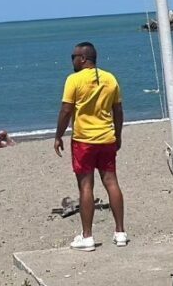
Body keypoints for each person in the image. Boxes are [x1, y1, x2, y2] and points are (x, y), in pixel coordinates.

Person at [54, 41, 127, 251]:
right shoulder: (110, 78)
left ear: (83, 58)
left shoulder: (74, 80)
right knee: (111, 182)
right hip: (106, 138)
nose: (72, 60)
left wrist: (58, 135)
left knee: (85, 186)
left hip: (84, 140)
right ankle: (120, 232)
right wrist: (118, 134)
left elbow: (66, 110)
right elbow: (118, 110)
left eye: (74, 57)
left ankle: (87, 237)